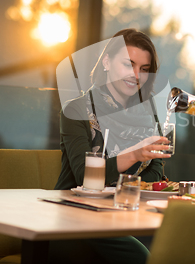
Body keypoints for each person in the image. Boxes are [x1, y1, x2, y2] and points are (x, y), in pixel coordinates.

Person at [52, 29, 171, 264]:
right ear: (107, 61)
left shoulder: (149, 114)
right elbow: (84, 176)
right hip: (75, 220)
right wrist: (134, 155)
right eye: (129, 64)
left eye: (144, 69)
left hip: (126, 217)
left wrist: (120, 186)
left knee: (176, 247)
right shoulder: (76, 110)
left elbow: (156, 171)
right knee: (145, 257)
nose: (136, 75)